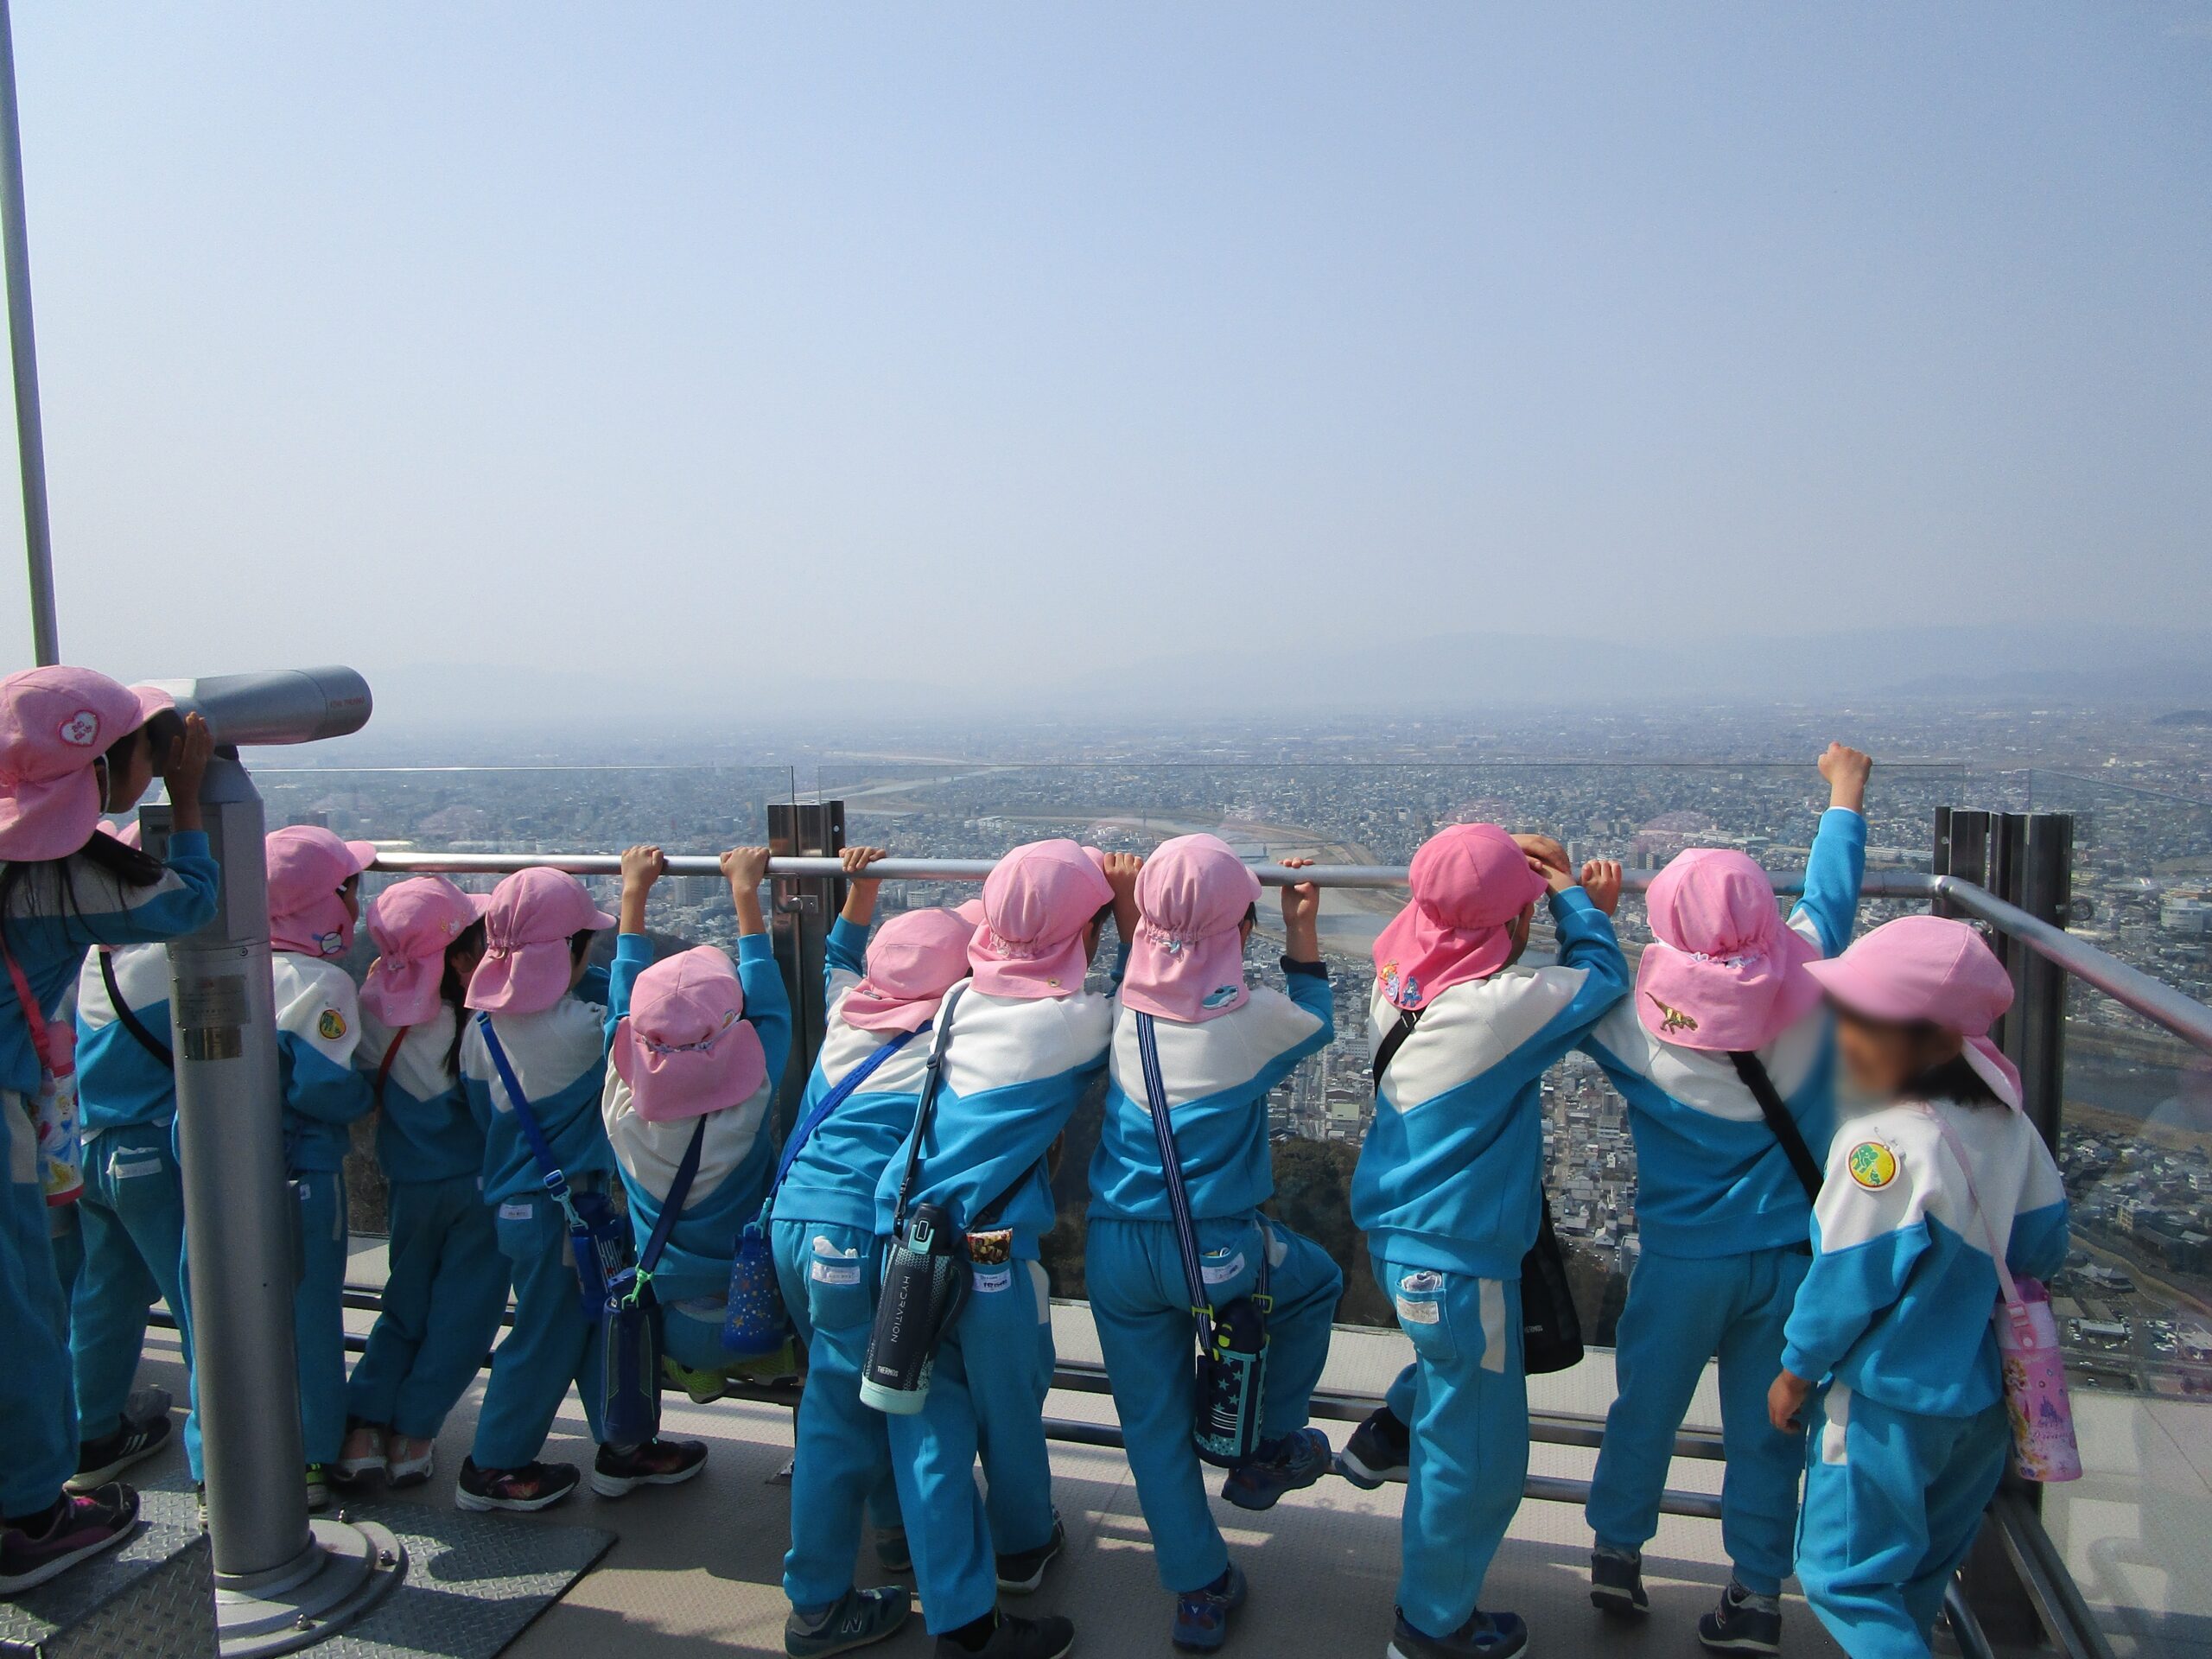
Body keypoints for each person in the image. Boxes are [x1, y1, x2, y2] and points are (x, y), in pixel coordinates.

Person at [1578, 745, 1872, 1652]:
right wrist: (1843, 794)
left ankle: (1618, 1555)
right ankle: (1752, 1594)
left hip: (1680, 1263)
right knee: (1769, 1423)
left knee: (1646, 1408)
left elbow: (1586, 993)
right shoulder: (1817, 985)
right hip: (1791, 1257)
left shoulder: (1635, 1032)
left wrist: (1587, 915)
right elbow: (1829, 899)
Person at [1340, 824, 1630, 1659]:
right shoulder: (1496, 1009)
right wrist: (1578, 897)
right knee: (1477, 1462)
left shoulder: (1398, 977)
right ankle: (1432, 1628)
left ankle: (1388, 1431)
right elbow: (1602, 980)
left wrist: (1503, 875)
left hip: (1400, 1243)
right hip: (1460, 1265)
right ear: (1509, 928)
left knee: (1453, 1371)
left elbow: (1468, 916)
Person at [869, 837, 1138, 1659]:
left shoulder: (953, 1004)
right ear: (1080, 937)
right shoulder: (1070, 1021)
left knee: (929, 1433)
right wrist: (1130, 917)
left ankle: (962, 1621)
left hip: (906, 1245)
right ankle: (1023, 1545)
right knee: (1012, 1410)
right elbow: (1143, 1017)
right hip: (989, 1261)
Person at [1772, 917, 2069, 1659]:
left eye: (1863, 1027)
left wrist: (1795, 1370)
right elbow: (2044, 1247)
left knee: (1846, 1578)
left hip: (1885, 1407)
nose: (1844, 1042)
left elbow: (1845, 1285)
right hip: (1980, 1404)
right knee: (1922, 1573)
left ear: (1933, 1040)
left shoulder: (1881, 1144)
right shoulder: (2010, 1125)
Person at [1084, 836, 1343, 1651]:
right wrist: (1302, 927)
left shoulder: (1125, 1005)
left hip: (1115, 1250)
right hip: (1215, 1251)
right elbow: (1317, 1023)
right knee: (1314, 1282)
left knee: (1150, 1426)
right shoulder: (1248, 1021)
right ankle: (1266, 1442)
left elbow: (1154, 959)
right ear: (1242, 926)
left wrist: (1134, 902)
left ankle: (1199, 1590)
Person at [0, 668, 216, 1593]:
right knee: (21, 1315)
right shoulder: (62, 874)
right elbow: (187, 904)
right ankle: (27, 1518)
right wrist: (190, 796)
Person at [771, 847, 969, 1657]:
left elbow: (837, 959)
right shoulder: (944, 1042)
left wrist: (863, 894)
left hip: (788, 1220)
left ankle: (892, 1537)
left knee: (859, 1394)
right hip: (851, 1236)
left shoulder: (852, 1009)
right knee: (838, 1420)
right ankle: (816, 1606)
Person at [459, 865, 681, 1510]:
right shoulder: (582, 1031)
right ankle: (494, 1465)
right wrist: (634, 900)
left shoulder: (481, 1032)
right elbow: (631, 1015)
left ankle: (625, 1444)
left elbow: (484, 1119)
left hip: (525, 1206)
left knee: (597, 1330)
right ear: (571, 953)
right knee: (544, 1337)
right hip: (568, 1215)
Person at [599, 845, 788, 1479]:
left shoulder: (622, 1104)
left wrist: (632, 893)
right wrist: (745, 892)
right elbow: (772, 1010)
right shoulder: (748, 1100)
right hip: (759, 1312)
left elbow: (621, 1010)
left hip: (669, 1325)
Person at [336, 875, 509, 1491]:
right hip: (480, 1191)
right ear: (459, 959)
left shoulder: (371, 1008)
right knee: (463, 1315)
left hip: (410, 1184)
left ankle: (361, 1430)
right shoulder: (480, 1022)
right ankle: (413, 1435)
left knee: (403, 1306)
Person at [67, 818, 200, 1495]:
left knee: (106, 1294)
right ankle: (227, 1467)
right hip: (153, 1152)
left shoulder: (91, 955)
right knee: (202, 1307)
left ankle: (91, 1435)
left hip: (91, 1149)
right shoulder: (165, 958)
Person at [263, 825, 381, 1510]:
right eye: (349, 888)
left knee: (220, 1310)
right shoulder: (322, 984)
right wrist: (369, 1092)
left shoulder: (220, 960)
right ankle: (310, 1455)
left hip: (217, 1165)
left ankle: (214, 1460)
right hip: (302, 1172)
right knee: (310, 1312)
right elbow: (322, 1086)